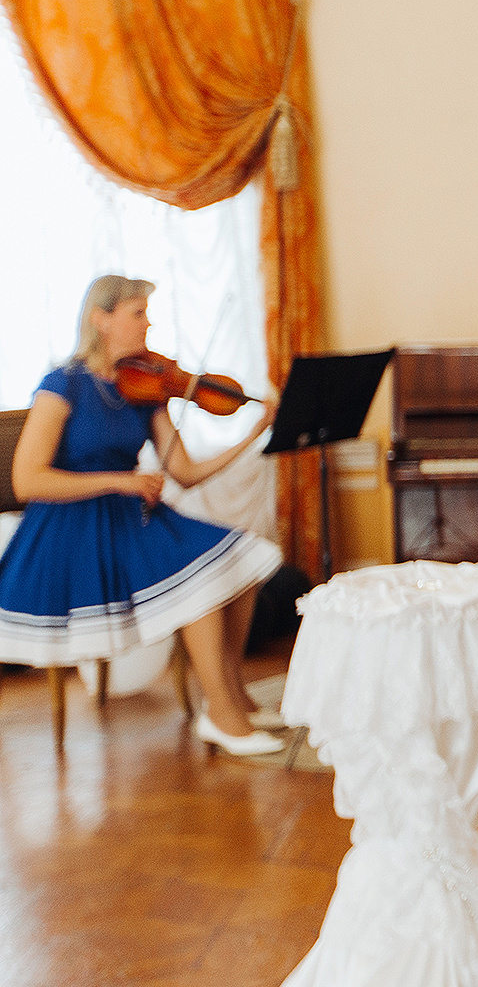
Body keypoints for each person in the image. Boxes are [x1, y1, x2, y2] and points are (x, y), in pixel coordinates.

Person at [0, 276, 286, 755]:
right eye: (138, 313)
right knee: (200, 578)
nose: (148, 323)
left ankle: (230, 699)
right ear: (101, 319)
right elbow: (28, 481)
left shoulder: (143, 386)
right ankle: (224, 715)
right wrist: (121, 481)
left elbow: (186, 472)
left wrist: (254, 431)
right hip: (71, 527)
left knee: (243, 560)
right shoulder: (61, 385)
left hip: (128, 518)